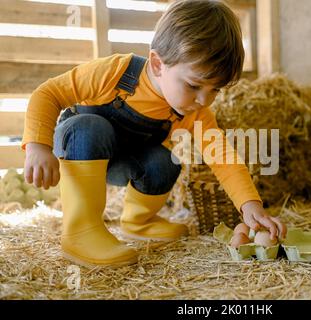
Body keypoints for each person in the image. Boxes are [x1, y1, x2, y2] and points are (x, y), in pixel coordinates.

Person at [22, 0, 287, 267]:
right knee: (91, 127)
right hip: (81, 149)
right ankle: (80, 231)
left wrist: (250, 205)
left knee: (164, 162)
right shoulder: (115, 72)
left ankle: (139, 222)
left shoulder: (194, 111)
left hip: (123, 162)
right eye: (194, 85)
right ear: (158, 64)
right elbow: (48, 93)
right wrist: (37, 146)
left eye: (215, 90)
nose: (204, 100)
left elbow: (222, 157)